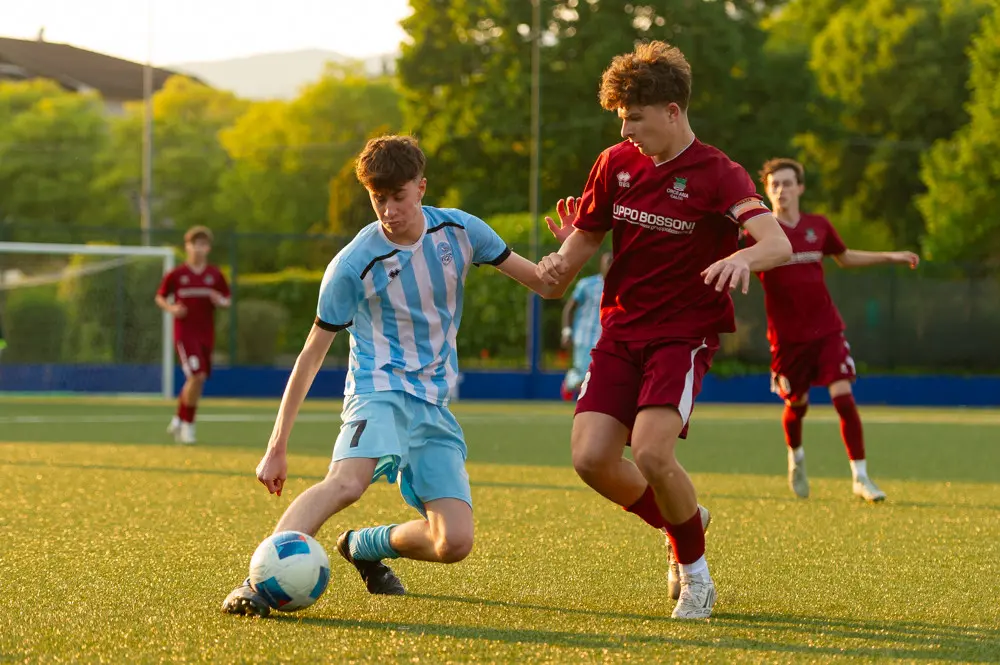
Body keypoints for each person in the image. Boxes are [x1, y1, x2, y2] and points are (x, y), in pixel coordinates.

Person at [222, 135, 560, 617]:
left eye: (398, 196)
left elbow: (546, 285)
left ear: (421, 187)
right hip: (378, 388)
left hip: (433, 402)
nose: (388, 210)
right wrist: (277, 446)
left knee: (454, 543)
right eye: (377, 198)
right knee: (347, 483)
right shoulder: (352, 265)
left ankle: (362, 545)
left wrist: (574, 245)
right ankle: (255, 583)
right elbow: (311, 356)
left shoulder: (462, 232)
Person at [535, 41, 792, 619]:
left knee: (652, 453)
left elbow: (777, 243)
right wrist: (558, 263)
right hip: (620, 331)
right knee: (591, 459)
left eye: (635, 118)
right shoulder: (615, 162)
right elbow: (587, 235)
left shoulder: (719, 173)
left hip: (682, 334)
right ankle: (686, 522)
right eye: (621, 118)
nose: (626, 130)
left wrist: (741, 257)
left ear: (673, 112)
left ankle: (696, 576)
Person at [749, 158, 919, 502]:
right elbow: (730, 259)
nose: (781, 190)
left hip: (826, 329)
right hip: (786, 339)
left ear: (800, 188)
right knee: (797, 404)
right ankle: (796, 456)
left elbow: (844, 257)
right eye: (774, 185)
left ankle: (861, 477)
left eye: (787, 183)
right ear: (766, 191)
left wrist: (890, 256)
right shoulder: (758, 233)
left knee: (843, 396)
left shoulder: (818, 226)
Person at [155, 226, 231, 445]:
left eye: (203, 244)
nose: (198, 248)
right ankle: (188, 425)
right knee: (196, 376)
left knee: (198, 378)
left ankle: (179, 418)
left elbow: (227, 299)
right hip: (185, 333)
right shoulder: (177, 275)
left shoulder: (214, 275)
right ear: (187, 247)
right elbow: (160, 297)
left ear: (208, 248)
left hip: (206, 333)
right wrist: (172, 308)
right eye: (194, 244)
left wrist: (220, 300)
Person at [560, 253, 612, 400]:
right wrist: (567, 332)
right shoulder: (587, 285)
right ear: (601, 265)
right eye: (608, 262)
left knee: (601, 376)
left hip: (605, 338)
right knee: (583, 377)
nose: (611, 265)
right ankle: (570, 381)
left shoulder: (620, 287)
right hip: (584, 337)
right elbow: (569, 308)